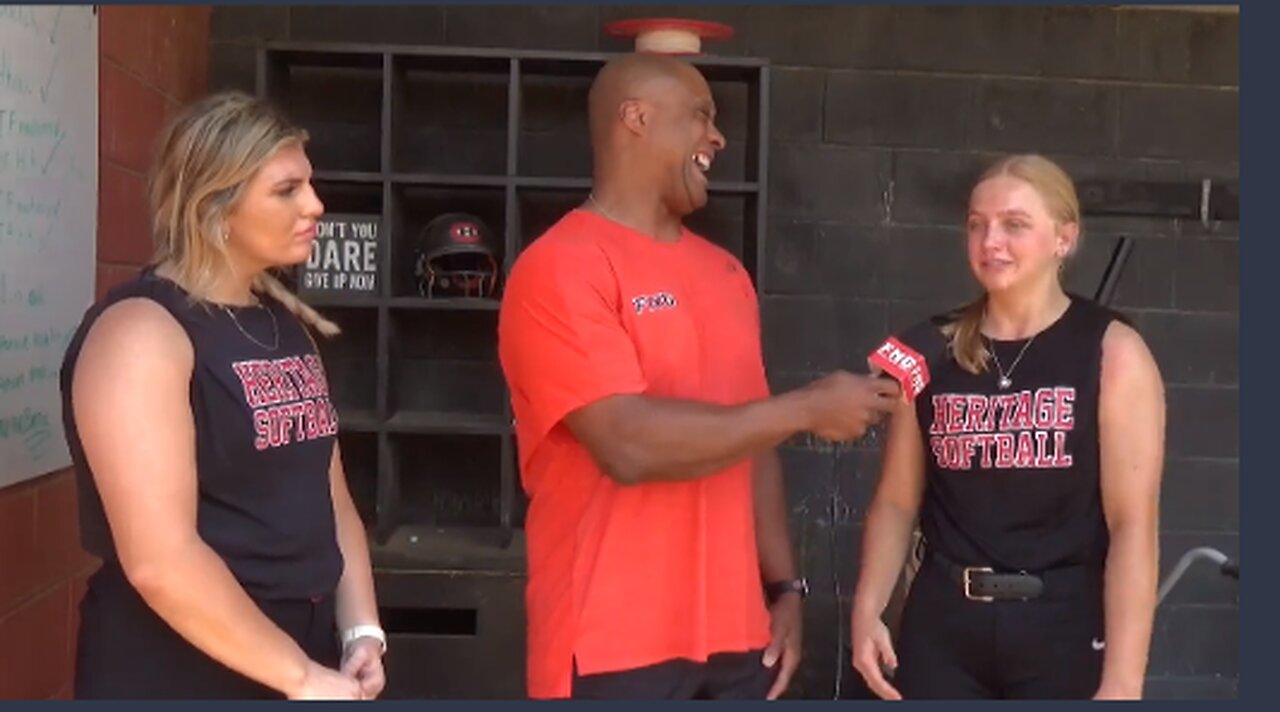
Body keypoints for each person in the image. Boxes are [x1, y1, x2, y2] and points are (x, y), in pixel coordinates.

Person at [497, 52, 901, 700]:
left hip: (739, 639)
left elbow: (753, 444)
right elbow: (626, 444)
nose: (717, 138)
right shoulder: (561, 268)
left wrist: (784, 587)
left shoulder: (726, 275)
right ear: (636, 119)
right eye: (700, 118)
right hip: (609, 644)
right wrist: (804, 409)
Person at [60, 91, 386, 700]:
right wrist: (301, 677)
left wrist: (360, 629)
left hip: (300, 660)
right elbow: (161, 560)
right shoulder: (142, 333)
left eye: (308, 185)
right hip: (181, 665)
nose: (315, 206)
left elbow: (330, 493)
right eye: (286, 190)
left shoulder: (285, 328)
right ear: (217, 205)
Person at [849, 154, 1165, 700]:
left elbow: (1133, 525)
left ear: (1064, 238)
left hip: (1061, 622)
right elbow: (897, 501)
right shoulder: (930, 346)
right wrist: (868, 607)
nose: (990, 240)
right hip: (945, 624)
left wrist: (1123, 680)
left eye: (1014, 224)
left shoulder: (1112, 351)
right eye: (977, 224)